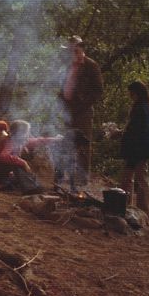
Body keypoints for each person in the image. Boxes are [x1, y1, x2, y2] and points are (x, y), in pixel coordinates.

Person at [59, 35, 104, 185]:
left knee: (83, 144)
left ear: (82, 50)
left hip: (83, 112)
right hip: (67, 110)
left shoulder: (91, 66)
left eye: (76, 50)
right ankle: (65, 176)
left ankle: (82, 179)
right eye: (71, 50)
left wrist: (84, 103)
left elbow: (98, 90)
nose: (74, 53)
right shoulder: (66, 65)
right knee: (66, 142)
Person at [117, 80, 149, 221]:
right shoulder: (144, 107)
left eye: (131, 93)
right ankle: (126, 207)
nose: (130, 96)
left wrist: (123, 134)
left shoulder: (142, 108)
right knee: (129, 179)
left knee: (139, 180)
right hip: (137, 149)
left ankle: (145, 212)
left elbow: (140, 132)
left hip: (138, 150)